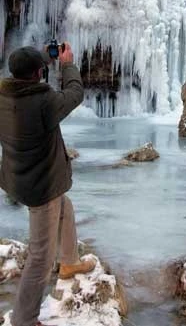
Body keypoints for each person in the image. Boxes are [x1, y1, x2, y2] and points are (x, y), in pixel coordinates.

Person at [0, 43, 96, 326]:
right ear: (38, 74)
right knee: (40, 258)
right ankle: (24, 319)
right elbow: (75, 94)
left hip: (20, 177)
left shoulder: (4, 97)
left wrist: (41, 56)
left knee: (65, 206)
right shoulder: (44, 102)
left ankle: (69, 261)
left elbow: (27, 71)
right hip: (41, 185)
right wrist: (67, 64)